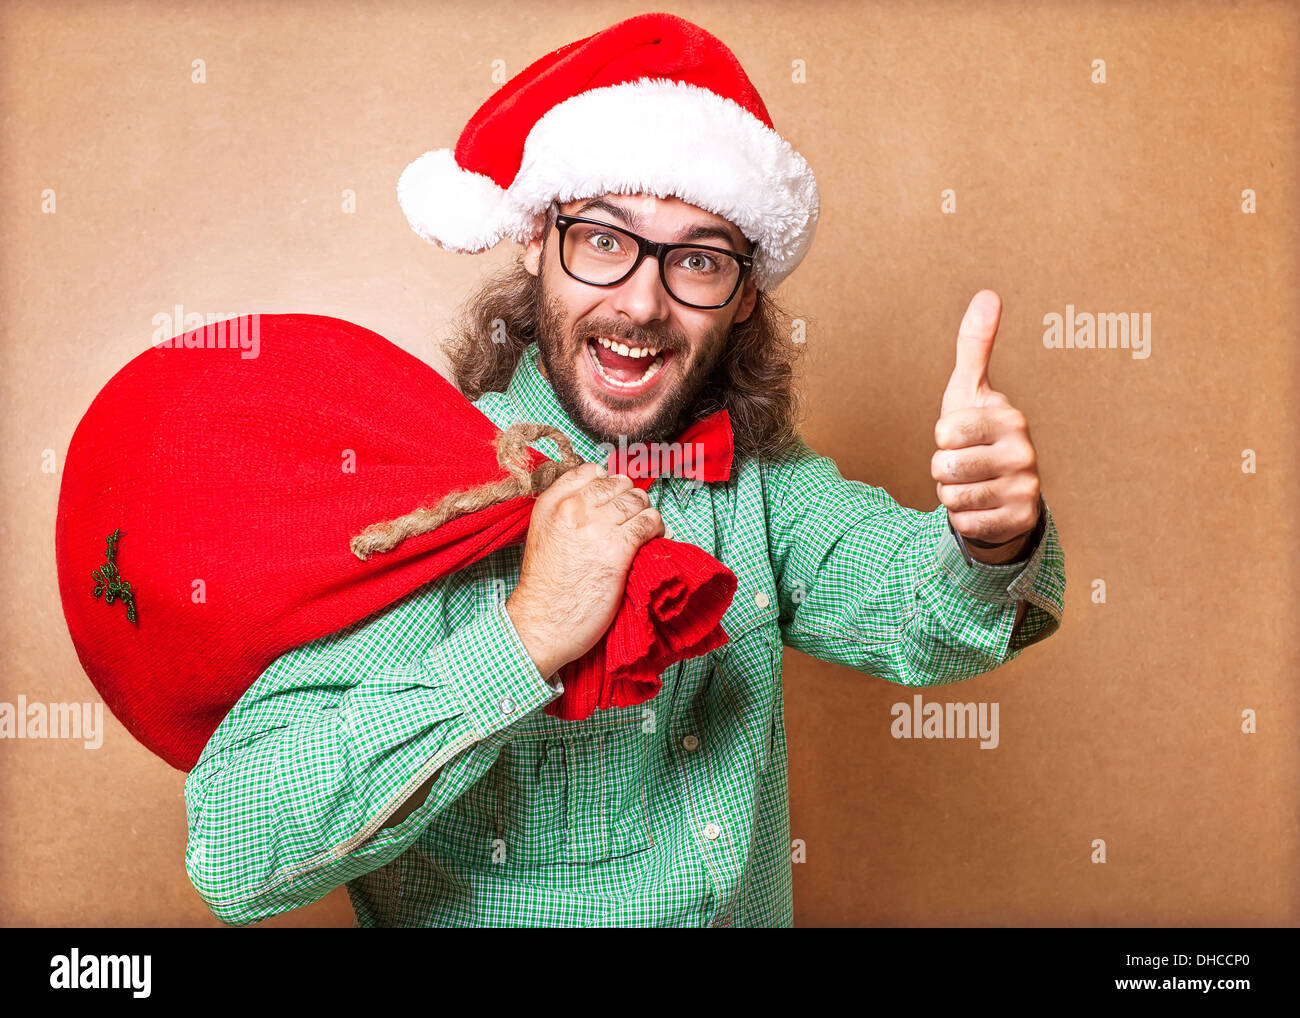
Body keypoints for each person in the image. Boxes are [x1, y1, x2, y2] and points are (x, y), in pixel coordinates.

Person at [184, 12, 1064, 928]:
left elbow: (935, 620)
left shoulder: (763, 484)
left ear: (746, 292)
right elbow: (234, 852)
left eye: (696, 259)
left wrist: (992, 535)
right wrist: (524, 637)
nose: (642, 303)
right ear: (534, 237)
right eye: (604, 240)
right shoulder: (423, 495)